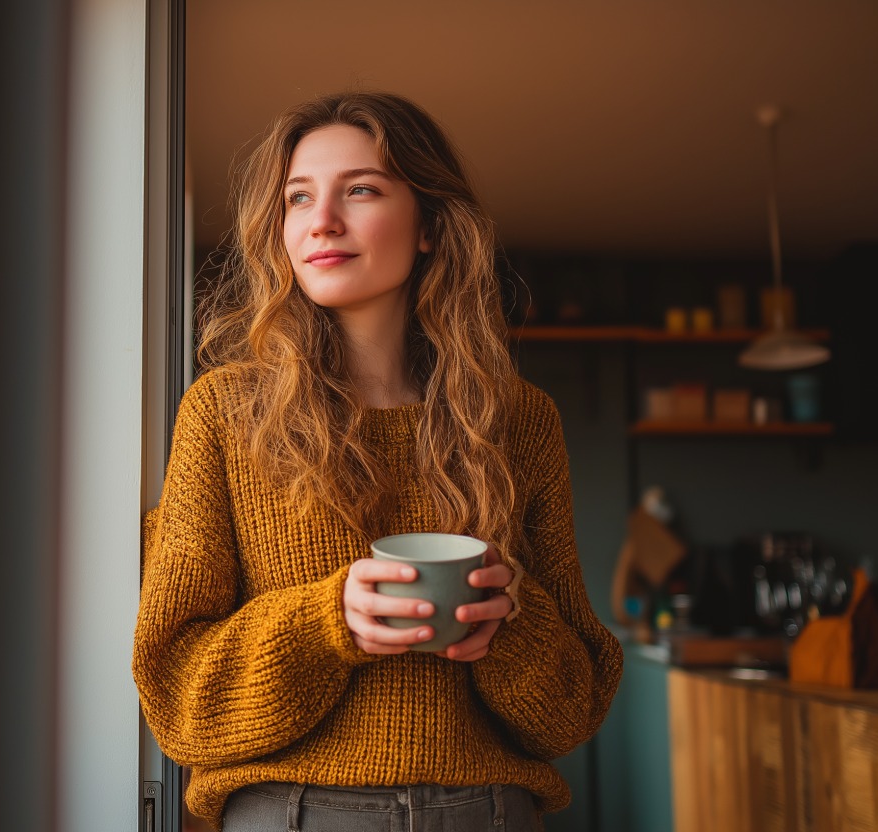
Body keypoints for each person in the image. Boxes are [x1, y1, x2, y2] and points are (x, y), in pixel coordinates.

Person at [132, 91, 623, 832]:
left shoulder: (517, 421)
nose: (321, 220)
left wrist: (503, 620)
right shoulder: (224, 413)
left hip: (490, 815)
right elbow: (176, 700)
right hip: (289, 815)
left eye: (359, 190)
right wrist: (331, 622)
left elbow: (572, 712)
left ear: (428, 225)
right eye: (298, 198)